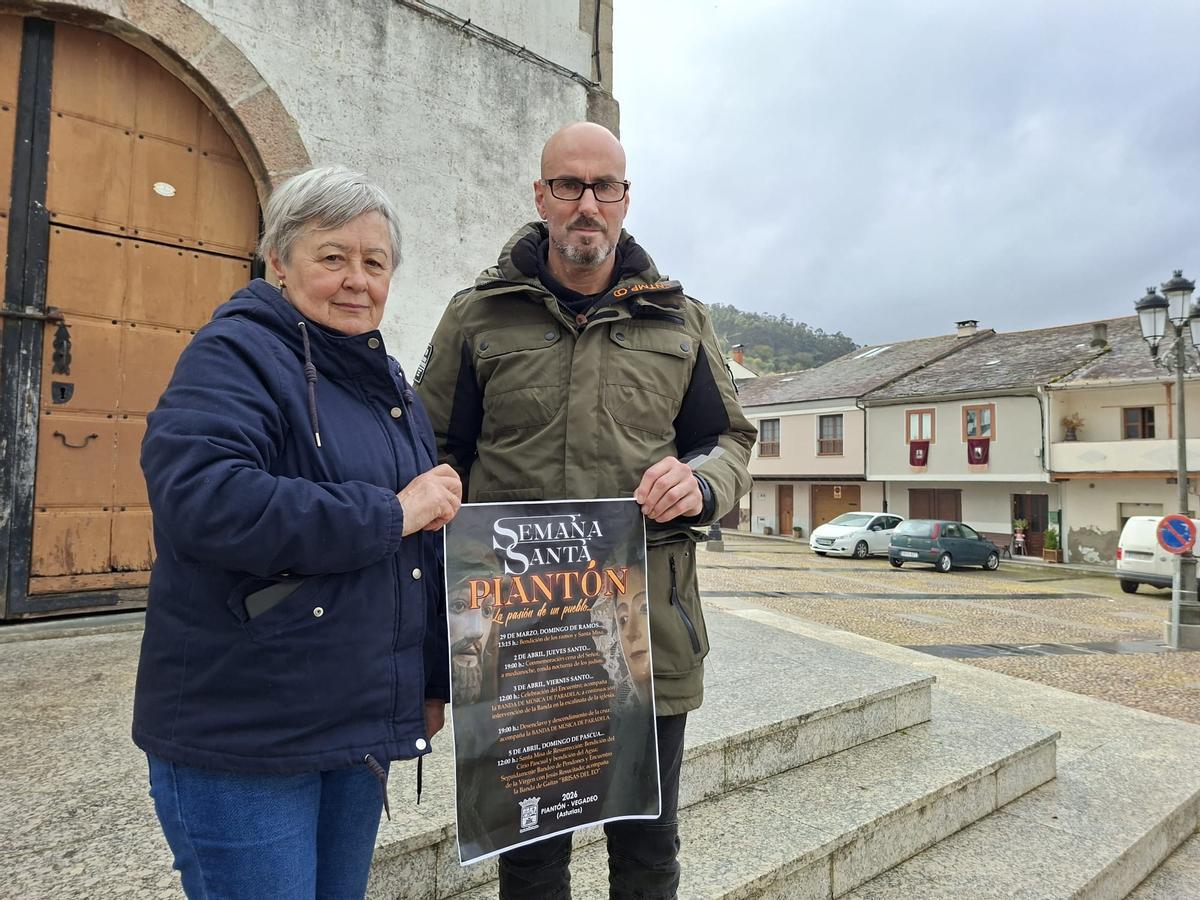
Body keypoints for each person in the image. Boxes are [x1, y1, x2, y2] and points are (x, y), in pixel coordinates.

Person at [415, 122, 755, 899]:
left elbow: (726, 439)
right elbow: (433, 450)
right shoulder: (478, 317)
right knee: (531, 847)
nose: (586, 204)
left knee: (647, 843)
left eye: (604, 187)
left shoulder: (680, 320)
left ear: (625, 200)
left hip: (647, 626)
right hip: (519, 629)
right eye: (568, 186)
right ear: (541, 196)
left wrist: (701, 484)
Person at [132, 165, 462, 900]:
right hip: (246, 735)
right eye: (332, 257)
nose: (357, 280)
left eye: (374, 263)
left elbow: (419, 553)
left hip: (353, 725)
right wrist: (392, 510)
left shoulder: (389, 386)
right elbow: (202, 496)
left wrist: (429, 682)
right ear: (278, 260)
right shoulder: (236, 354)